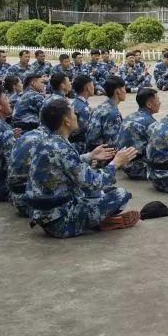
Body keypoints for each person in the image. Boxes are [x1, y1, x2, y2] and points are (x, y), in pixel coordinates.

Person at [25, 100, 139, 238]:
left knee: (100, 192)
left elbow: (62, 164)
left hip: (45, 215)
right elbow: (94, 181)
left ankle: (100, 220)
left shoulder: (46, 141)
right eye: (73, 112)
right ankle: (101, 222)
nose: (76, 115)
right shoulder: (63, 148)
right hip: (61, 221)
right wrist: (116, 163)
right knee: (121, 194)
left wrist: (90, 156)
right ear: (66, 121)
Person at [114, 88, 159, 180]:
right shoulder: (150, 123)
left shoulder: (129, 117)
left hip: (124, 164)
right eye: (157, 100)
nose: (160, 103)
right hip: (139, 168)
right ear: (149, 104)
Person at [86, 77, 126, 150]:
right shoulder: (113, 114)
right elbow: (113, 144)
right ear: (118, 91)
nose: (125, 92)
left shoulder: (100, 107)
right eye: (124, 89)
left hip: (93, 151)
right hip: (104, 155)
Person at [70, 75, 94, 147]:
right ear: (86, 88)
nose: (93, 87)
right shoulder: (84, 109)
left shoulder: (73, 102)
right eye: (92, 85)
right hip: (80, 145)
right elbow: (89, 133)